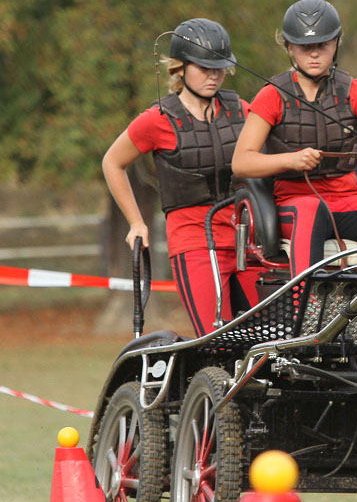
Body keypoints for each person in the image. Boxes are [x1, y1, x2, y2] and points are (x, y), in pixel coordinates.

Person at [103, 17, 260, 337]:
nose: (213, 76)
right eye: (204, 68)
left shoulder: (240, 110)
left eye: (219, 68)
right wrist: (136, 223)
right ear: (181, 68)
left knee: (267, 334)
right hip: (195, 240)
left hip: (246, 234)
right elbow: (112, 162)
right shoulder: (157, 120)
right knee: (219, 337)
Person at [231, 0, 357, 275]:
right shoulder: (271, 95)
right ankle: (305, 308)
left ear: (336, 43)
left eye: (322, 46)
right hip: (294, 204)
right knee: (311, 210)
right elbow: (242, 162)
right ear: (290, 48)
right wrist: (292, 160)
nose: (314, 55)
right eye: (305, 48)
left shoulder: (355, 89)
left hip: (347, 200)